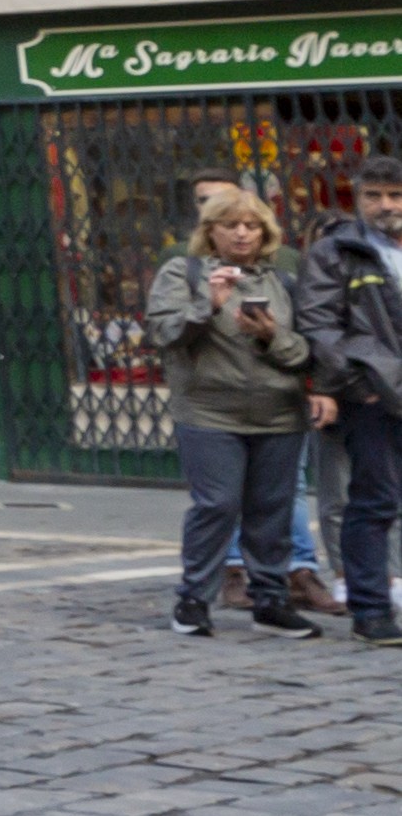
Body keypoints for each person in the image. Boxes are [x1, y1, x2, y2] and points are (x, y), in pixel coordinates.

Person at [152, 190, 317, 638]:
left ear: (266, 232)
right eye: (230, 225)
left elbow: (309, 351)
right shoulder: (183, 273)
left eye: (252, 225)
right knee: (218, 505)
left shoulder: (284, 282)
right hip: (210, 413)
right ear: (211, 232)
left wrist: (271, 335)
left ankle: (271, 600)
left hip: (279, 414)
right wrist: (208, 305)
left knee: (272, 510)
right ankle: (194, 599)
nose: (242, 234)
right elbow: (164, 332)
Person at [295, 157, 402, 647]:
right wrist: (359, 385)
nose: (385, 205)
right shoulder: (335, 252)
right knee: (374, 501)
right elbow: (319, 324)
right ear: (357, 199)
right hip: (375, 395)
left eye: (395, 195)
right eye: (373, 196)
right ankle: (370, 609)